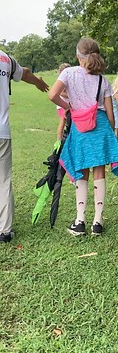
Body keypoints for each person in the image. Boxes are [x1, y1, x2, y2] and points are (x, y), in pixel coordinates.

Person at [49, 38, 118, 236]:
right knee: (99, 171)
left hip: (81, 126)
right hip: (99, 125)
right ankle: (97, 222)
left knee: (82, 172)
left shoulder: (68, 73)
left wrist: (68, 108)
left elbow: (52, 95)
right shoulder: (103, 80)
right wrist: (108, 133)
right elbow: (110, 113)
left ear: (78, 55)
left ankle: (80, 221)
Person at [0, 50, 49, 243]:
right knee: (3, 180)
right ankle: (5, 230)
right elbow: (25, 72)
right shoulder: (5, 59)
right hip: (2, 131)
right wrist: (38, 82)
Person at [56, 63, 71, 141]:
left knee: (67, 123)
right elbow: (61, 92)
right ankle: (58, 141)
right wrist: (72, 95)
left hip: (67, 105)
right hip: (62, 105)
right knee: (62, 122)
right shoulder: (61, 81)